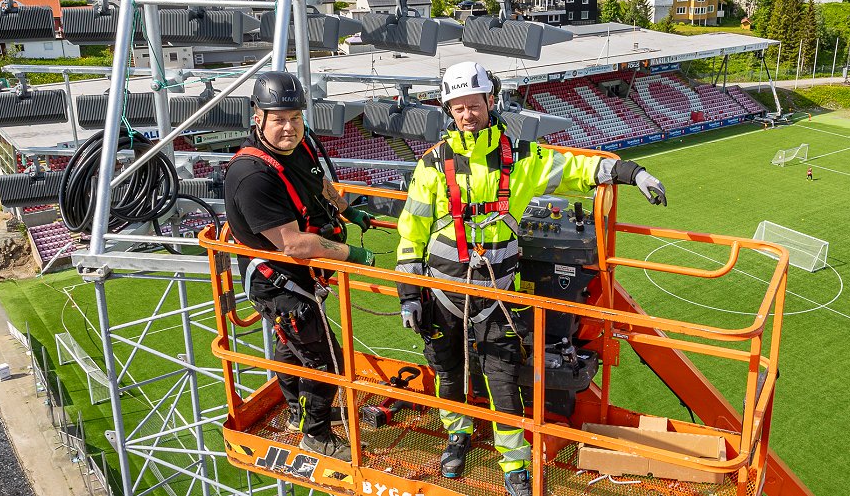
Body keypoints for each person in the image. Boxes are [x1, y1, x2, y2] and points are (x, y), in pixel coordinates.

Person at [395, 62, 667, 496]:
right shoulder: (430, 166)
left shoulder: (522, 158)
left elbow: (579, 168)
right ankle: (456, 436)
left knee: (503, 382)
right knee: (448, 372)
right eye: (458, 107)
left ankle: (514, 466)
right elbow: (411, 233)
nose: (467, 114)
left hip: (496, 295)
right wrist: (410, 294)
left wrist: (632, 172)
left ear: (491, 102)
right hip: (442, 292)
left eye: (474, 105)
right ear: (449, 111)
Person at [222, 71, 377, 461]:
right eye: (279, 119)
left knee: (293, 349)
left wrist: (346, 210)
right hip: (278, 281)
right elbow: (293, 243)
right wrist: (353, 255)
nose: (289, 127)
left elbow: (317, 181)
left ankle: (296, 413)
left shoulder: (297, 147)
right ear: (258, 118)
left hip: (296, 278)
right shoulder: (253, 176)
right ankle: (317, 433)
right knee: (326, 361)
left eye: (295, 117)